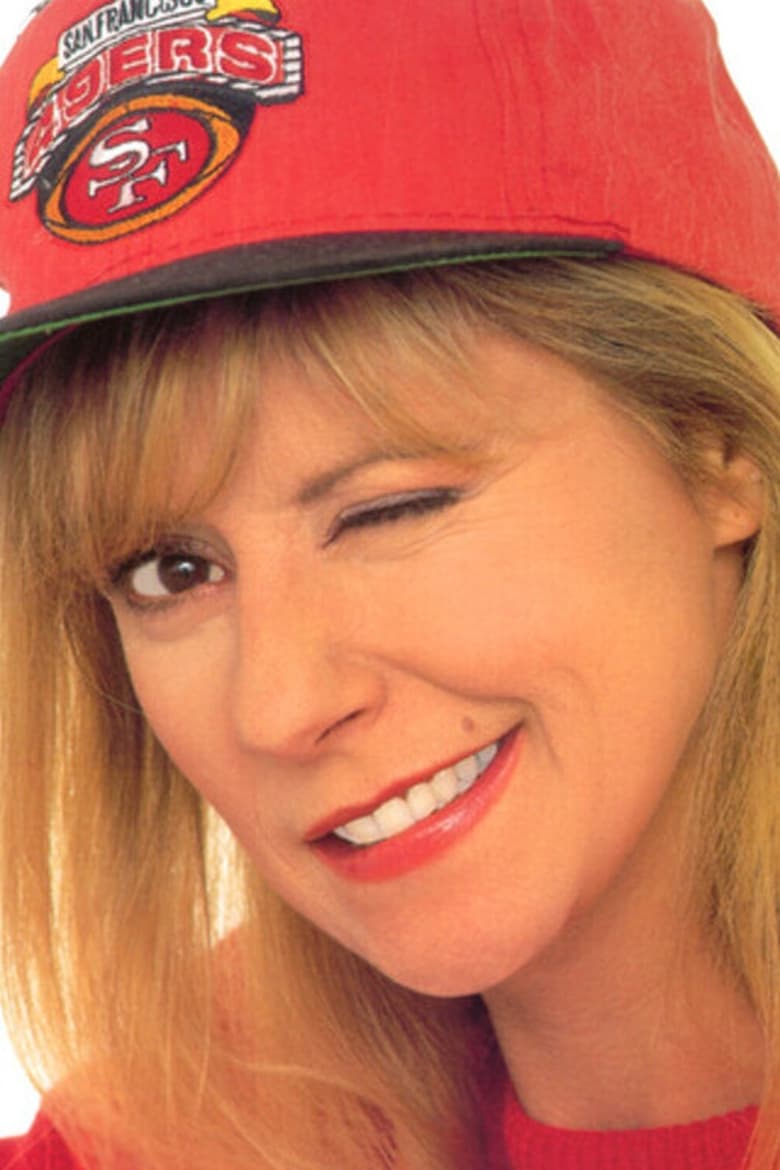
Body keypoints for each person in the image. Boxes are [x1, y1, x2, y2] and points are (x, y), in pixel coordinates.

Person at [0, 0, 776, 1167]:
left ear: (719, 445)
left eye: (389, 509)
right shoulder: (166, 1135)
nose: (279, 707)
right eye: (173, 571)